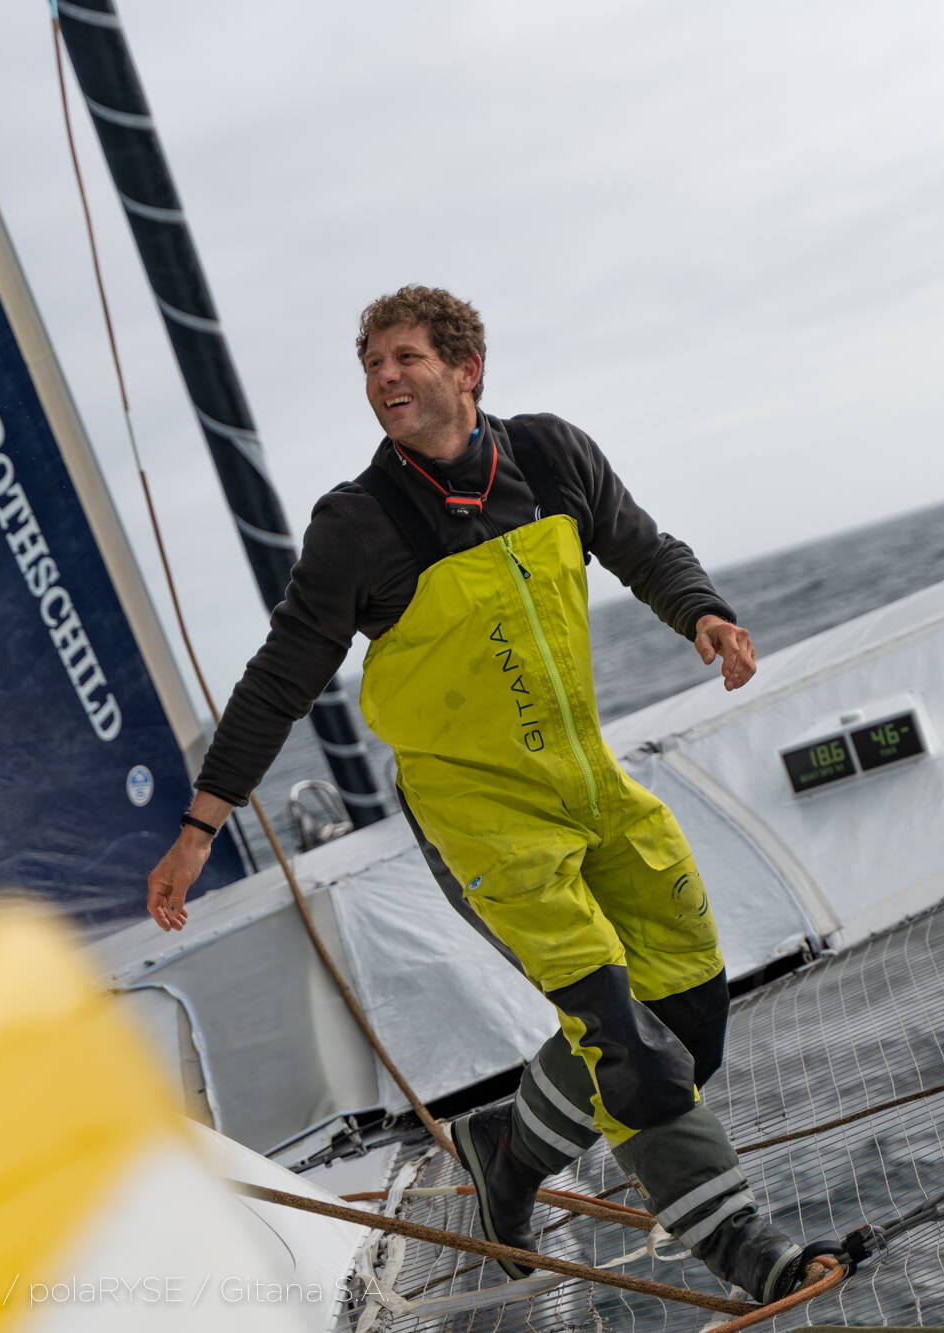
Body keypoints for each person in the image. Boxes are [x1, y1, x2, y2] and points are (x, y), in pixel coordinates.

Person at [145, 285, 837, 1302]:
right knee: (628, 1049)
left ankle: (505, 1150)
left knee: (687, 1018)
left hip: (589, 785)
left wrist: (703, 613)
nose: (385, 378)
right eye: (373, 364)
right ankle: (747, 1251)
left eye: (406, 358)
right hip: (480, 815)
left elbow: (637, 541)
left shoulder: (551, 455)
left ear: (467, 370)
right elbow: (282, 672)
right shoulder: (358, 523)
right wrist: (203, 822)